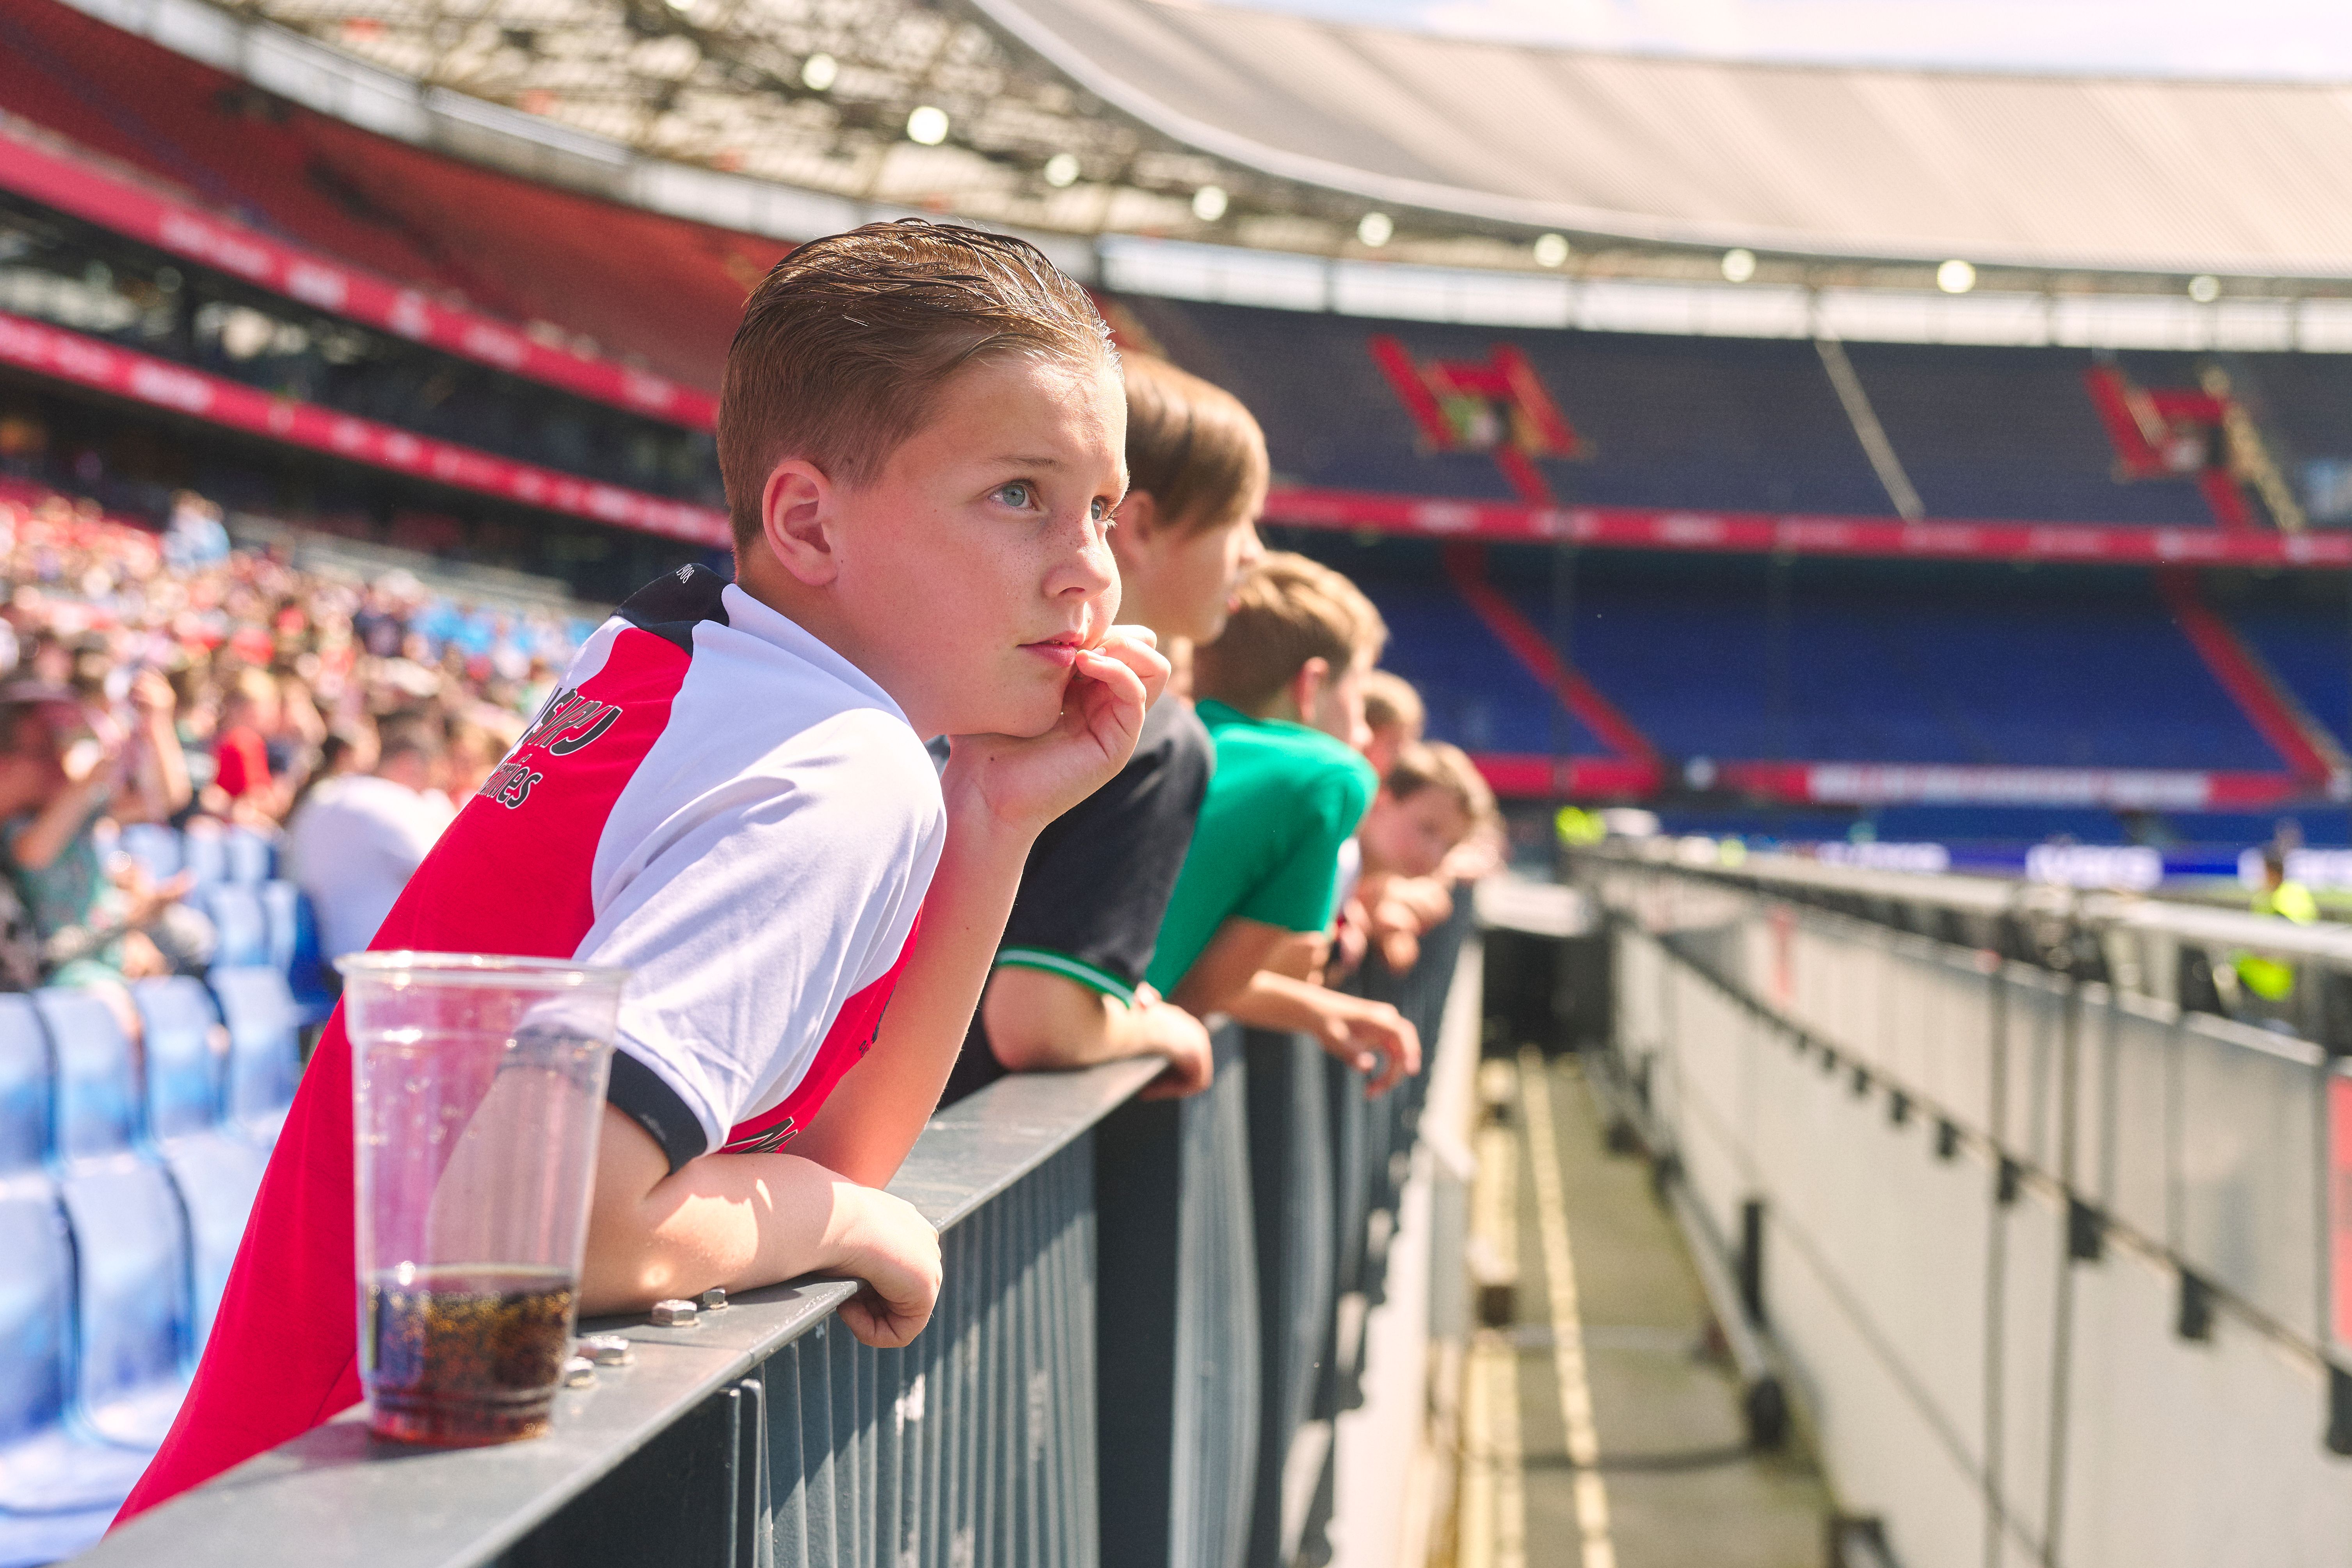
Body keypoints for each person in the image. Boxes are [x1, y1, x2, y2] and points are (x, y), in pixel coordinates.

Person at [119, 219, 1164, 1519]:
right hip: (352, 1520)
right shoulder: (831, 768)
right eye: (1019, 494)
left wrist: (994, 819)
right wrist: (834, 1225)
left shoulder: (689, 670)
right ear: (806, 520)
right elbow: (549, 1223)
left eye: (1103, 508)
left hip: (273, 1502)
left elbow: (836, 1146)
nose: (1091, 568)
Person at [941, 354, 1265, 1106]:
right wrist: (1155, 1031)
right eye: (1240, 517)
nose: (1255, 552)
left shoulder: (966, 691)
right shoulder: (1155, 737)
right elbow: (1039, 1020)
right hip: (954, 1183)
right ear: (1142, 526)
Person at [1145, 553, 1419, 1092]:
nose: (1363, 735)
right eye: (1358, 697)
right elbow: (1194, 997)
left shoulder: (1166, 737)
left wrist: (1313, 1011)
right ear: (1310, 685)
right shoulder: (1326, 776)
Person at [283, 715, 455, 962]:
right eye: (430, 781)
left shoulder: (330, 795)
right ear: (408, 766)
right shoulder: (386, 800)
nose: (430, 792)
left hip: (337, 960)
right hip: (378, 968)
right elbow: (447, 877)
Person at [1352, 740, 1496, 973]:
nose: (1435, 854)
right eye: (1428, 829)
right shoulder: (1333, 859)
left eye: (1450, 846)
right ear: (1381, 800)